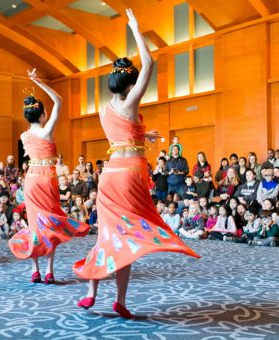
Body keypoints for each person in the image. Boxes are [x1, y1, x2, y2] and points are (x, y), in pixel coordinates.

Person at [73, 9, 199, 319]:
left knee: (108, 236)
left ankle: (91, 293)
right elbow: (151, 64)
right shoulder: (131, 101)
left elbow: (123, 135)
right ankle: (120, 300)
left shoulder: (106, 109)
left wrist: (145, 132)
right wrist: (135, 27)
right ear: (129, 85)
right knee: (127, 237)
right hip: (130, 176)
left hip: (110, 176)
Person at [8, 68, 89, 284]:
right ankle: (50, 271)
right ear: (42, 114)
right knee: (50, 224)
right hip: (47, 177)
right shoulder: (46, 131)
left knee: (35, 225)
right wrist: (39, 81)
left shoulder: (24, 135)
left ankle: (35, 270)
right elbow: (59, 100)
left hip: (32, 178)